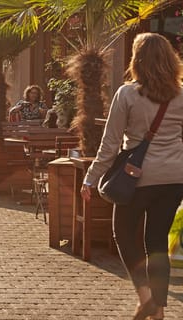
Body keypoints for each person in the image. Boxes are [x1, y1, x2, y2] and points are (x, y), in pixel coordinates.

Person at [80, 33, 183, 320]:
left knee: (124, 234)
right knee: (157, 241)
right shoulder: (181, 93)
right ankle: (159, 311)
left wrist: (90, 178)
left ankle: (146, 298)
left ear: (137, 60)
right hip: (174, 177)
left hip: (136, 178)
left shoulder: (127, 94)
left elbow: (110, 144)